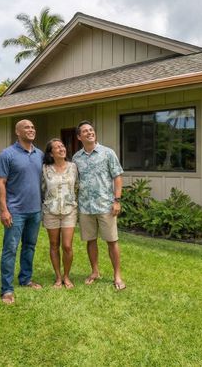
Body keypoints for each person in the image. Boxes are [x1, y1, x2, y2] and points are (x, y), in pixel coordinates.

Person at [72, 120, 126, 290]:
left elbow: (117, 177)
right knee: (91, 240)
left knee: (112, 240)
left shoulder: (108, 153)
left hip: (105, 205)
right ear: (79, 137)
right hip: (85, 207)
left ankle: (117, 275)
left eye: (91, 130)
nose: (89, 132)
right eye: (85, 131)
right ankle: (95, 271)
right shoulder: (76, 158)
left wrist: (117, 200)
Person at [0, 119, 44, 305]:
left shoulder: (39, 154)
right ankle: (6, 289)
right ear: (18, 132)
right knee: (10, 249)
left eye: (33, 127)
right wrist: (4, 210)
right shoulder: (7, 154)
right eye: (26, 127)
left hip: (35, 210)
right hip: (15, 211)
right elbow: (0, 183)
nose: (31, 129)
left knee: (30, 247)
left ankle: (26, 279)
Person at [41, 138, 78, 289]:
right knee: (54, 244)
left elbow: (77, 186)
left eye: (62, 145)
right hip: (51, 211)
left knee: (67, 246)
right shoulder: (45, 168)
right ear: (51, 153)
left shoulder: (73, 167)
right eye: (57, 147)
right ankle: (58, 277)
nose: (62, 148)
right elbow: (42, 187)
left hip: (69, 210)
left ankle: (67, 276)